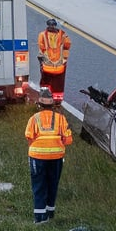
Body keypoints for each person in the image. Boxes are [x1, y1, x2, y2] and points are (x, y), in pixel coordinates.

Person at [25, 88, 73, 223]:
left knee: (39, 186)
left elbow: (29, 137)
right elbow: (68, 139)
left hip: (37, 157)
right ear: (53, 105)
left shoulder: (34, 119)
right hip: (56, 157)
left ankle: (40, 219)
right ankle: (50, 214)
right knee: (52, 184)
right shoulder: (61, 119)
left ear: (39, 104)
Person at [37, 19, 72, 103]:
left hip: (47, 66)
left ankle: (45, 98)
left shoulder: (42, 35)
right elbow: (67, 45)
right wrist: (64, 59)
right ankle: (57, 99)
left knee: (46, 82)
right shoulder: (63, 35)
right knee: (58, 83)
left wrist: (41, 60)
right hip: (59, 66)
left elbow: (41, 48)